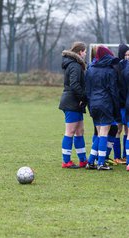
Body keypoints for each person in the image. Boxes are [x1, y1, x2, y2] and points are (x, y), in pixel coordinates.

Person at [84, 45, 120, 170]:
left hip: (94, 104)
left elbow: (87, 91)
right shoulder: (110, 71)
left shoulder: (90, 70)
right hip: (105, 104)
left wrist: (90, 106)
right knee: (104, 133)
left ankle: (90, 161)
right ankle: (101, 163)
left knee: (99, 134)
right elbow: (114, 92)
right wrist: (116, 109)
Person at [59, 41, 88, 169]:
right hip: (72, 102)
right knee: (70, 131)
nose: (86, 53)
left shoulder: (75, 65)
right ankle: (66, 161)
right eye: (85, 51)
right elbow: (74, 84)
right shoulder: (75, 66)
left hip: (75, 102)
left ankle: (83, 160)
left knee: (80, 131)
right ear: (80, 52)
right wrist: (83, 97)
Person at [112, 43, 129, 164]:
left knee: (128, 130)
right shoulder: (116, 67)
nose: (128, 57)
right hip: (119, 104)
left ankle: (126, 155)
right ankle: (117, 156)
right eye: (126, 54)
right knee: (118, 129)